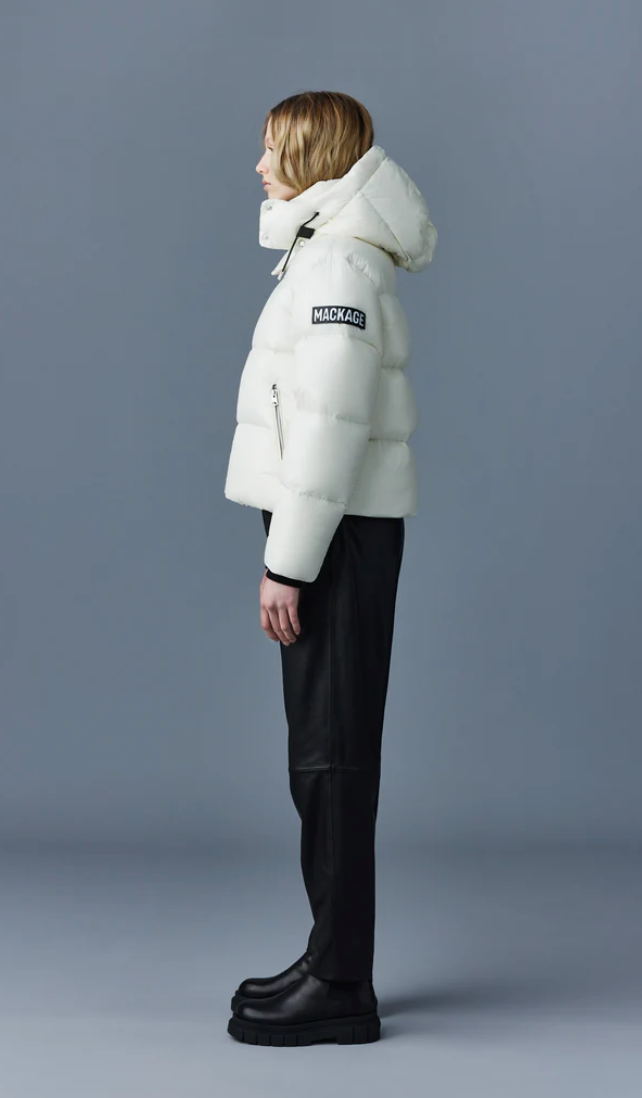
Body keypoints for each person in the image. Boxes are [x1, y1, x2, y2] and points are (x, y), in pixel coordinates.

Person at [224, 90, 437, 1047]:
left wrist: (287, 564)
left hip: (333, 532)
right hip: (333, 528)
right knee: (323, 756)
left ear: (313, 158)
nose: (259, 167)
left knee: (332, 759)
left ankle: (342, 985)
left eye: (273, 151)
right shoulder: (327, 252)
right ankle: (330, 958)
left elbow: (331, 431)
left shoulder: (338, 264)